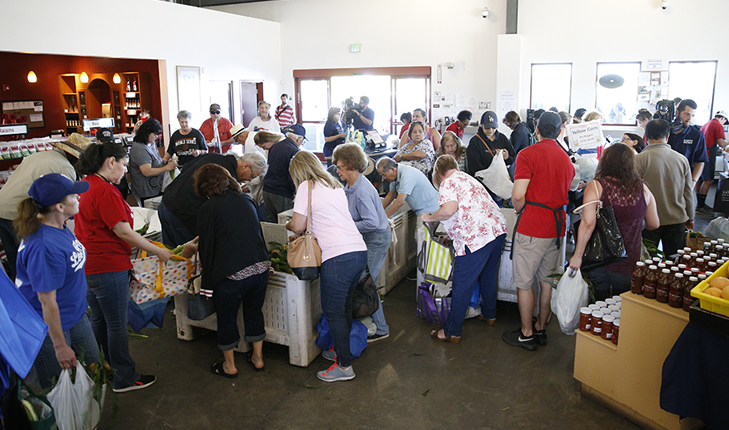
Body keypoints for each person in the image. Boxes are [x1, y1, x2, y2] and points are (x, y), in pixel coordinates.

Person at [75, 143, 172, 392]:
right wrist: (157, 250)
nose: (124, 171)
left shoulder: (84, 186)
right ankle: (124, 376)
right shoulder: (105, 191)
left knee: (99, 320)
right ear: (110, 162)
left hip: (89, 265)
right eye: (124, 165)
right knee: (117, 324)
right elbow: (123, 231)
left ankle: (104, 368)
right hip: (108, 265)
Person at [285, 151, 368, 383]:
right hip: (358, 251)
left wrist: (288, 225)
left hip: (337, 256)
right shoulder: (334, 185)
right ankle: (342, 351)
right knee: (344, 309)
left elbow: (299, 225)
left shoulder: (306, 187)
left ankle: (343, 366)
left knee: (333, 312)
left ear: (298, 172)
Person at [15, 174, 99, 388]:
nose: (79, 197)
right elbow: (46, 301)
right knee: (61, 386)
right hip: (49, 326)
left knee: (94, 368)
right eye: (73, 195)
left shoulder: (58, 227)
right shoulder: (44, 246)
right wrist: (60, 346)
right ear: (60, 206)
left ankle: (84, 418)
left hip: (74, 314)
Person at [503, 111, 574, 351]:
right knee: (546, 281)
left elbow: (518, 194)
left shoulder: (527, 154)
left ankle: (526, 333)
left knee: (524, 283)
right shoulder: (566, 159)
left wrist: (520, 210)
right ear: (560, 130)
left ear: (537, 128)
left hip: (533, 225)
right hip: (556, 227)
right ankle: (541, 328)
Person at [194, 164, 271, 378]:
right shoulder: (247, 199)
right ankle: (257, 358)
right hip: (260, 268)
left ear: (203, 186)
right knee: (254, 312)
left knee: (227, 319)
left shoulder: (209, 208)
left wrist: (207, 284)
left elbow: (207, 248)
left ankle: (230, 365)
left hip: (232, 275)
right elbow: (256, 234)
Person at [425, 155, 508, 343]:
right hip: (497, 230)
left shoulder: (447, 182)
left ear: (437, 174)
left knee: (462, 284)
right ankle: (489, 315)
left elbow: (448, 210)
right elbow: (469, 210)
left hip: (477, 238)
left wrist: (429, 217)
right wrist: (453, 233)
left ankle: (452, 331)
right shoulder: (468, 178)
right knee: (488, 276)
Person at [569, 143, 659, 300]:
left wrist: (577, 255)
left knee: (599, 302)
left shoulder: (597, 186)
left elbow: (588, 223)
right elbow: (654, 224)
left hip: (600, 257)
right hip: (630, 257)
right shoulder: (643, 188)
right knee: (622, 305)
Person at [0, 133, 92, 280]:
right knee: (33, 265)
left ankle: (20, 298)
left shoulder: (40, 156)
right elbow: (64, 205)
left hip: (3, 207)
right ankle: (35, 298)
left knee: (16, 261)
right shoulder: (64, 167)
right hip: (19, 213)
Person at [332, 143, 391, 342]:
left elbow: (372, 223)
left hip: (377, 239)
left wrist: (346, 226)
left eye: (340, 167)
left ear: (351, 165)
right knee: (365, 283)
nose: (337, 170)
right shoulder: (351, 185)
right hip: (369, 238)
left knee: (366, 285)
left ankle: (381, 329)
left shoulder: (362, 190)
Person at [159, 151, 267, 246]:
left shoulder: (215, 157)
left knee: (170, 256)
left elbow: (186, 168)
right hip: (183, 213)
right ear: (246, 166)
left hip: (166, 201)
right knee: (185, 259)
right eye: (252, 176)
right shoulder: (225, 176)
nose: (250, 180)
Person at [636, 119, 695, 258]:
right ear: (667, 136)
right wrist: (690, 216)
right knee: (674, 261)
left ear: (646, 136)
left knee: (647, 261)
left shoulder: (639, 159)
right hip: (677, 218)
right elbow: (688, 192)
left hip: (648, 221)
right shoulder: (682, 159)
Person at [466, 111, 515, 203]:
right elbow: (474, 167)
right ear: (481, 125)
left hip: (499, 184)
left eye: (493, 127)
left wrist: (507, 158)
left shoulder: (502, 139)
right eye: (487, 127)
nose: (490, 130)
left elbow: (512, 159)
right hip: (482, 185)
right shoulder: (475, 142)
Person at [259, 125, 304, 223]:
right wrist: (295, 192)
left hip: (267, 190)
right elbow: (291, 176)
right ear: (299, 138)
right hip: (282, 193)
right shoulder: (294, 151)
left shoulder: (275, 146)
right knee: (284, 227)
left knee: (272, 226)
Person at [128, 118, 177, 205]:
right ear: (147, 133)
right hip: (146, 190)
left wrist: (165, 162)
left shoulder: (151, 143)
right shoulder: (139, 148)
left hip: (156, 186)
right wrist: (166, 168)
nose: (156, 137)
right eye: (154, 135)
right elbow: (146, 171)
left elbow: (155, 160)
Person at [667, 99, 709, 186]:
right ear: (677, 113)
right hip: (663, 178)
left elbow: (700, 162)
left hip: (683, 181)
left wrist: (693, 183)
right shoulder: (665, 131)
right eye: (686, 114)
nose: (690, 118)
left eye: (692, 115)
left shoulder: (697, 135)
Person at [696, 110, 729, 214]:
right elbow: (722, 143)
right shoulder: (718, 125)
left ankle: (699, 204)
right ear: (723, 118)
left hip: (701, 154)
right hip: (709, 156)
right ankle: (701, 206)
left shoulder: (707, 124)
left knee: (700, 179)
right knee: (709, 180)